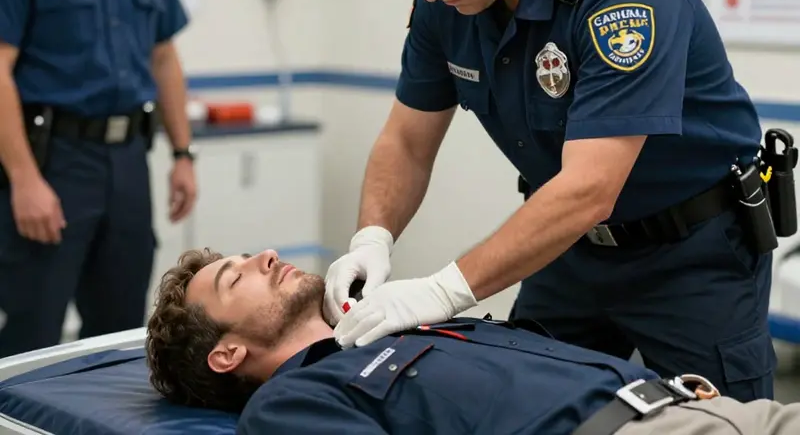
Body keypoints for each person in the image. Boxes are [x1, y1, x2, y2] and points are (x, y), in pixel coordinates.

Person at [323, 0, 787, 403]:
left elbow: (590, 188)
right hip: (569, 251)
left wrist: (444, 291)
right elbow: (407, 142)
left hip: (690, 256)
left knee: (723, 421)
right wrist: (373, 239)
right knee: (523, 406)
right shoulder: (446, 3)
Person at [144, 247, 800, 435]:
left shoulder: (400, 327)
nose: (264, 255)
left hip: (704, 409)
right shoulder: (291, 405)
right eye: (235, 277)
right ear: (225, 353)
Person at [0, 0, 197, 357]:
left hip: (129, 160)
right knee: (32, 333)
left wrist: (182, 154)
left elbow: (163, 56)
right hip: (53, 160)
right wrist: (23, 179)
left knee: (120, 334)